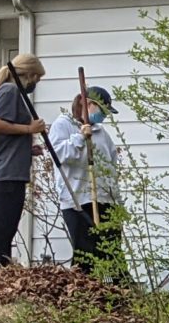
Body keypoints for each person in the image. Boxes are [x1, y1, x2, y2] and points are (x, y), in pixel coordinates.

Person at [0, 54, 47, 275]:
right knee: (0, 229)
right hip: (5, 172)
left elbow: (8, 136)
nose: (36, 83)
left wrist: (27, 148)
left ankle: (0, 274)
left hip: (12, 170)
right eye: (37, 78)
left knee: (7, 229)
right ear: (29, 74)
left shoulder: (11, 91)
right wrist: (29, 129)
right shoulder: (10, 90)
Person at [48, 85, 121, 273]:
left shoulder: (101, 133)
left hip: (104, 200)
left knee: (111, 252)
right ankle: (85, 287)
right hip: (77, 200)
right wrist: (80, 137)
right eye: (102, 110)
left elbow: (111, 165)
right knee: (87, 252)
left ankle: (111, 286)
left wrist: (116, 200)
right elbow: (60, 155)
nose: (103, 116)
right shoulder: (63, 125)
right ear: (87, 104)